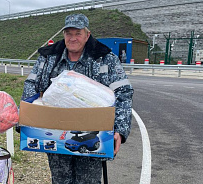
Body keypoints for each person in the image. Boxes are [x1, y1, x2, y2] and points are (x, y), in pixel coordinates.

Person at [21, 13, 134, 183]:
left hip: (92, 135)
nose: (72, 38)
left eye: (78, 33)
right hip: (56, 136)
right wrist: (26, 120)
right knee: (60, 180)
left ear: (87, 35)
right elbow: (30, 87)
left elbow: (123, 93)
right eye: (68, 33)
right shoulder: (48, 58)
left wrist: (120, 130)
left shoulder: (105, 58)